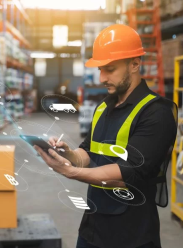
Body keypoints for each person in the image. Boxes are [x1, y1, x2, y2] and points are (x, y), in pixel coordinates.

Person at [34, 24, 177, 248]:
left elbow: (127, 174)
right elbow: (89, 151)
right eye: (100, 69)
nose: (102, 77)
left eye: (109, 69)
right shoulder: (103, 107)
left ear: (135, 64)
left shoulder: (156, 113)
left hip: (131, 235)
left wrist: (72, 172)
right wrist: (68, 154)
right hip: (92, 226)